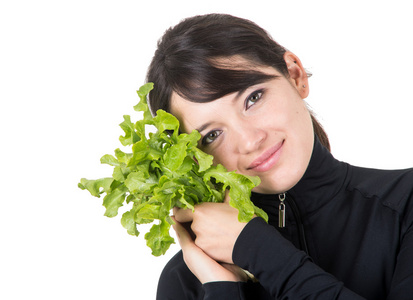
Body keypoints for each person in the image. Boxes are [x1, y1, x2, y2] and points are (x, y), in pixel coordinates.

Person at [145, 13, 413, 299]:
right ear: (194, 157)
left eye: (253, 98)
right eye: (211, 135)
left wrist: (256, 249)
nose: (249, 141)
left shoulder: (406, 202)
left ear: (295, 75)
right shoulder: (190, 278)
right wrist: (224, 289)